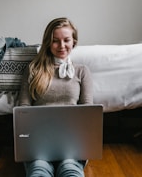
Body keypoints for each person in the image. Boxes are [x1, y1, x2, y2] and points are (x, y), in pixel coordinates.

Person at [18, 17, 93, 177]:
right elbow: (23, 109)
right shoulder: (33, 70)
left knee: (70, 170)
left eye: (66, 40)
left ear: (74, 41)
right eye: (55, 41)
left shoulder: (82, 71)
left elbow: (88, 112)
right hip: (39, 142)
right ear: (47, 43)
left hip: (72, 142)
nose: (62, 46)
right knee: (39, 170)